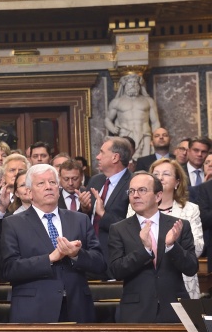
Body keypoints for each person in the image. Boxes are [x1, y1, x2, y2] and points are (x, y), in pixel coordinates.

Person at [1, 164, 106, 323]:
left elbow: (100, 264)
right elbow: (9, 269)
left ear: (58, 188)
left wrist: (76, 254)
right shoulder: (13, 223)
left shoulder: (79, 219)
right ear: (29, 192)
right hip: (34, 309)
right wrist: (49, 258)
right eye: (41, 183)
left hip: (77, 308)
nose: (48, 187)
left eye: (52, 182)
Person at [109, 171, 197, 322]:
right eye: (131, 191)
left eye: (142, 190)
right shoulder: (119, 229)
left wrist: (172, 246)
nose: (135, 195)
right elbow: (116, 270)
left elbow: (191, 268)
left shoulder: (179, 226)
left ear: (158, 196)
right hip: (136, 311)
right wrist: (145, 251)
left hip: (174, 309)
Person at [132, 159, 203, 299]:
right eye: (156, 174)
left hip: (182, 281)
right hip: (144, 282)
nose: (160, 177)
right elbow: (131, 243)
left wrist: (172, 245)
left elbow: (198, 247)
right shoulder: (135, 208)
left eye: (166, 174)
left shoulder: (190, 210)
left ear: (177, 182)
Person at [81, 137, 132, 269]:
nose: (97, 157)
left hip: (116, 258)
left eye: (102, 152)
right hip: (90, 255)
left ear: (115, 157)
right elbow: (87, 218)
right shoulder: (95, 181)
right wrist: (85, 209)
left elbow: (132, 227)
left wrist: (103, 214)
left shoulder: (134, 184)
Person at [104, 74, 161, 160]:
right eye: (130, 82)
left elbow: (155, 122)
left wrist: (155, 138)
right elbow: (107, 119)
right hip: (125, 135)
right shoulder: (117, 102)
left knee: (146, 162)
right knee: (125, 161)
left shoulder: (148, 101)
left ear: (139, 85)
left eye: (135, 82)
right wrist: (113, 129)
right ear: (125, 85)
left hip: (145, 135)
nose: (133, 84)